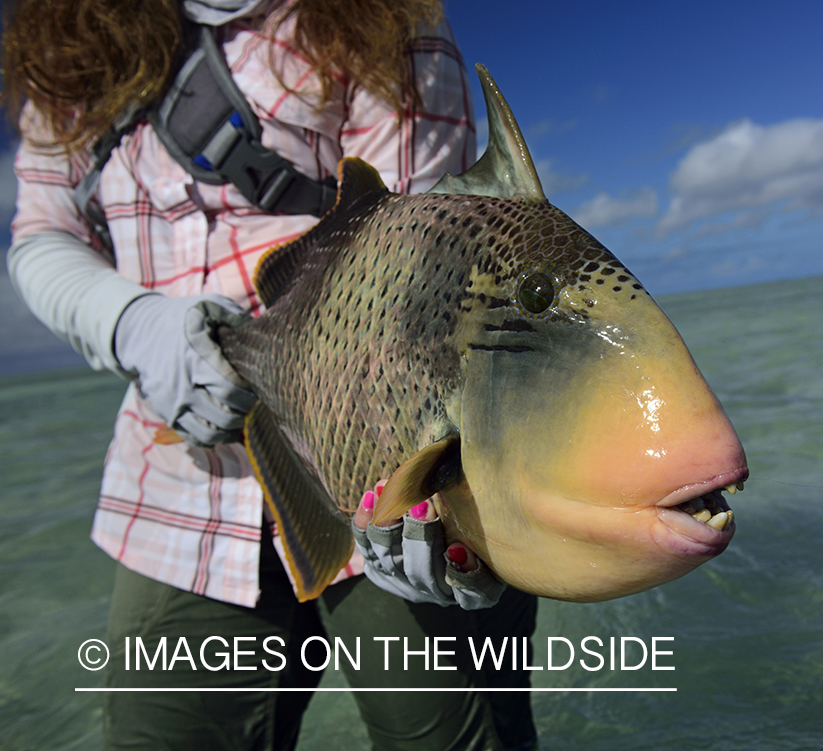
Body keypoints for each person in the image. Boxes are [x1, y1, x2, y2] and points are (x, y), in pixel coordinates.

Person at [2, 1, 537, 748]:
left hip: (373, 468)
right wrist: (131, 323)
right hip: (177, 490)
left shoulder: (380, 16)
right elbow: (43, 233)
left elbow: (425, 253)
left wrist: (432, 482)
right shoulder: (66, 44)